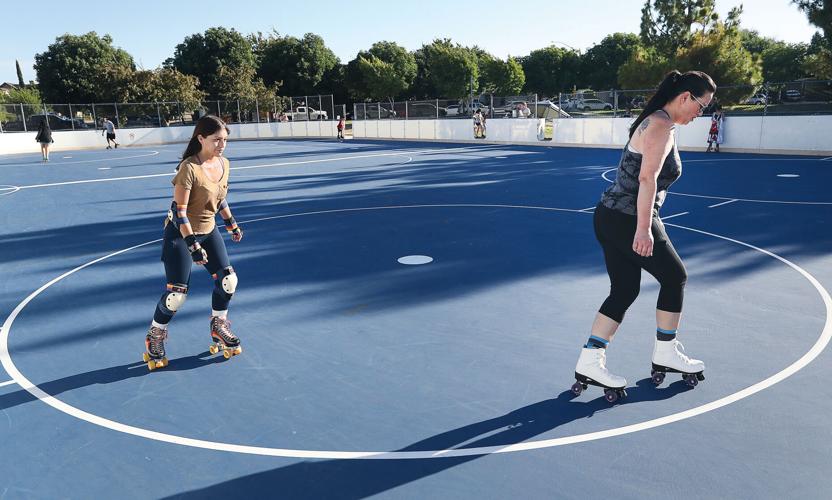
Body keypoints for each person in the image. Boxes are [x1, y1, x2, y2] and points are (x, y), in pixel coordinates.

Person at [571, 70, 716, 402]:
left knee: (624, 290)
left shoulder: (658, 121)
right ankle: (665, 350)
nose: (700, 113)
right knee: (675, 276)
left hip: (610, 216)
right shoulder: (661, 126)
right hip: (628, 218)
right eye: (701, 106)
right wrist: (643, 230)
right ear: (685, 97)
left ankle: (590, 360)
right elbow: (648, 179)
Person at [143, 115, 244, 370]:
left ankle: (219, 324)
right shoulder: (189, 168)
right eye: (216, 139)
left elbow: (219, 198)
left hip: (208, 230)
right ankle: (155, 335)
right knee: (176, 295)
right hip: (180, 234)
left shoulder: (224, 164)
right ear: (201, 138)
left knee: (228, 281)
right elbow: (180, 212)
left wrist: (231, 223)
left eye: (225, 140)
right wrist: (192, 244)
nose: (222, 144)